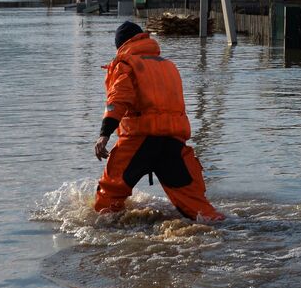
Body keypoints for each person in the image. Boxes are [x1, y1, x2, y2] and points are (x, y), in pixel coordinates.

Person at [93, 21, 224, 221]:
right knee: (196, 207)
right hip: (172, 141)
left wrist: (104, 134)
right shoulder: (168, 65)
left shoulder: (125, 64)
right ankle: (228, 229)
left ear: (121, 45)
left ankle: (100, 232)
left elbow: (118, 100)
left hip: (139, 139)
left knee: (107, 199)